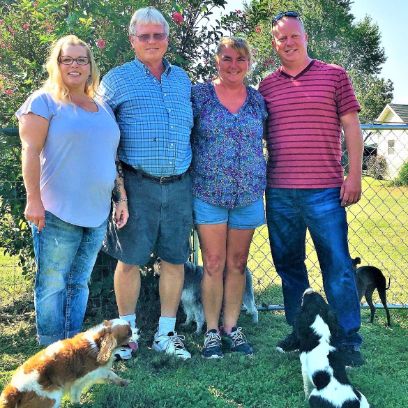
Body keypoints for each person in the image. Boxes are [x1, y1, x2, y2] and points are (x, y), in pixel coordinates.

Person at [259, 11, 364, 366]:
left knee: (337, 267)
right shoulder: (266, 86)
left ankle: (348, 339)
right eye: (281, 38)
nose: (288, 42)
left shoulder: (334, 76)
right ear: (274, 43)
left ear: (305, 37)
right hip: (280, 193)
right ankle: (301, 329)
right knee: (289, 266)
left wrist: (354, 176)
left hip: (325, 191)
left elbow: (351, 126)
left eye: (293, 36)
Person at [16, 35, 126, 346]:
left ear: (91, 66)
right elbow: (30, 152)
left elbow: (111, 156)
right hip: (55, 211)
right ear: (57, 64)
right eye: (68, 60)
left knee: (79, 284)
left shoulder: (102, 106)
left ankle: (71, 348)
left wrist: (121, 199)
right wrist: (33, 201)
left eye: (82, 60)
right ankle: (51, 351)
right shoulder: (43, 101)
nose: (75, 65)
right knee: (53, 284)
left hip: (96, 213)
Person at [99, 7, 193, 360]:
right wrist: (118, 192)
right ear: (133, 39)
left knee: (174, 260)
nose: (152, 41)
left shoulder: (182, 79)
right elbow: (102, 137)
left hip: (181, 184)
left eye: (158, 35)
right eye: (145, 36)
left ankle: (165, 335)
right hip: (135, 187)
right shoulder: (116, 80)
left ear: (167, 39)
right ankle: (126, 335)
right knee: (129, 260)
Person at [191, 37, 267, 359]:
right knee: (213, 263)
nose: (233, 65)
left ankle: (231, 327)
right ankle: (211, 331)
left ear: (248, 63)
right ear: (216, 61)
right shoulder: (199, 96)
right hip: (208, 191)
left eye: (240, 58)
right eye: (226, 58)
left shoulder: (257, 101)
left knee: (237, 264)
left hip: (248, 193)